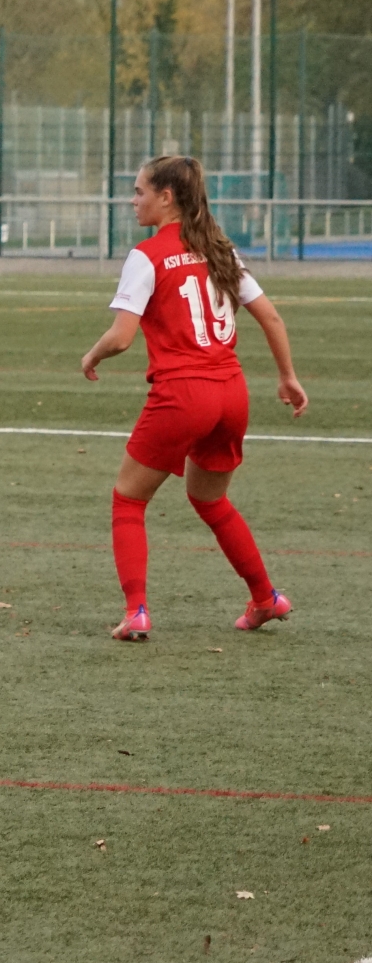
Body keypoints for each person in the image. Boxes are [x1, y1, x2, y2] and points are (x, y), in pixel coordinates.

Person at [81, 155, 306, 642]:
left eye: (140, 191)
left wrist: (91, 356)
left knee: (128, 499)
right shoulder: (220, 249)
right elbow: (271, 317)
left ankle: (136, 611)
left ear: (167, 197)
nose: (133, 199)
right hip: (231, 393)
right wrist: (287, 376)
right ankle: (266, 598)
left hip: (184, 394)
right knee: (211, 499)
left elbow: (121, 338)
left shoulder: (148, 254)